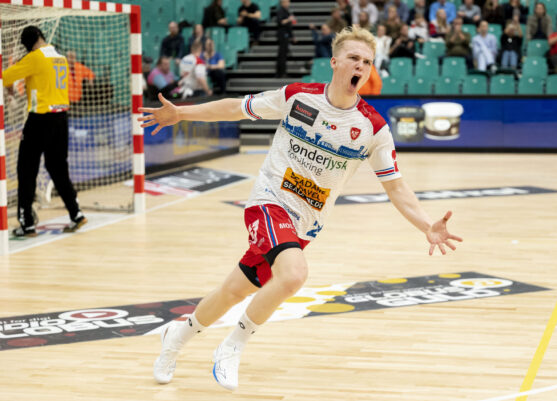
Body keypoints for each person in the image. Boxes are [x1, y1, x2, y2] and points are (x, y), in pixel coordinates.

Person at [139, 26, 462, 392]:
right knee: (293, 275)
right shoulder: (298, 97)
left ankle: (176, 337)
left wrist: (426, 225)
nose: (361, 66)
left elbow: (396, 186)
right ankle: (232, 346)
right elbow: (235, 107)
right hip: (268, 202)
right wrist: (181, 113)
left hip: (304, 226)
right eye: (354, 58)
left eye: (367, 61)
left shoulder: (373, 127)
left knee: (234, 290)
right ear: (334, 62)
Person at [3, 26, 87, 237]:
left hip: (40, 119)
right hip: (61, 118)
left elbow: (5, 76)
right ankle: (76, 213)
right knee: (58, 168)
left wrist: (9, 84)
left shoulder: (35, 57)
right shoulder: (60, 57)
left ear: (28, 44)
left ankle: (27, 224)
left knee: (26, 169)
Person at [276, 0, 296, 78]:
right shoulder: (280, 11)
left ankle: (282, 72)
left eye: (288, 2)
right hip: (282, 35)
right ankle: (280, 73)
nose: (287, 3)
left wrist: (292, 36)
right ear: (282, 3)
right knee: (282, 55)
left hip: (286, 35)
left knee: (284, 54)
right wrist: (289, 19)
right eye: (286, 2)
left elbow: (289, 25)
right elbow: (280, 22)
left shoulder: (287, 11)